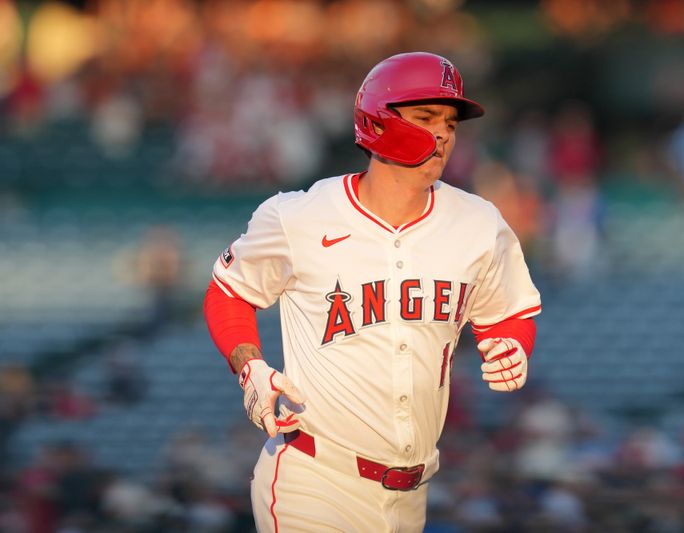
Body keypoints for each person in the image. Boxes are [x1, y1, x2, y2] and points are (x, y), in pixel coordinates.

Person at [203, 52, 542, 532]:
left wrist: (514, 344)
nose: (444, 132)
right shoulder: (299, 217)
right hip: (314, 478)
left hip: (413, 495)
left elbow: (507, 314)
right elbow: (227, 292)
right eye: (426, 117)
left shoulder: (478, 223)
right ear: (378, 121)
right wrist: (250, 367)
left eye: (450, 122)